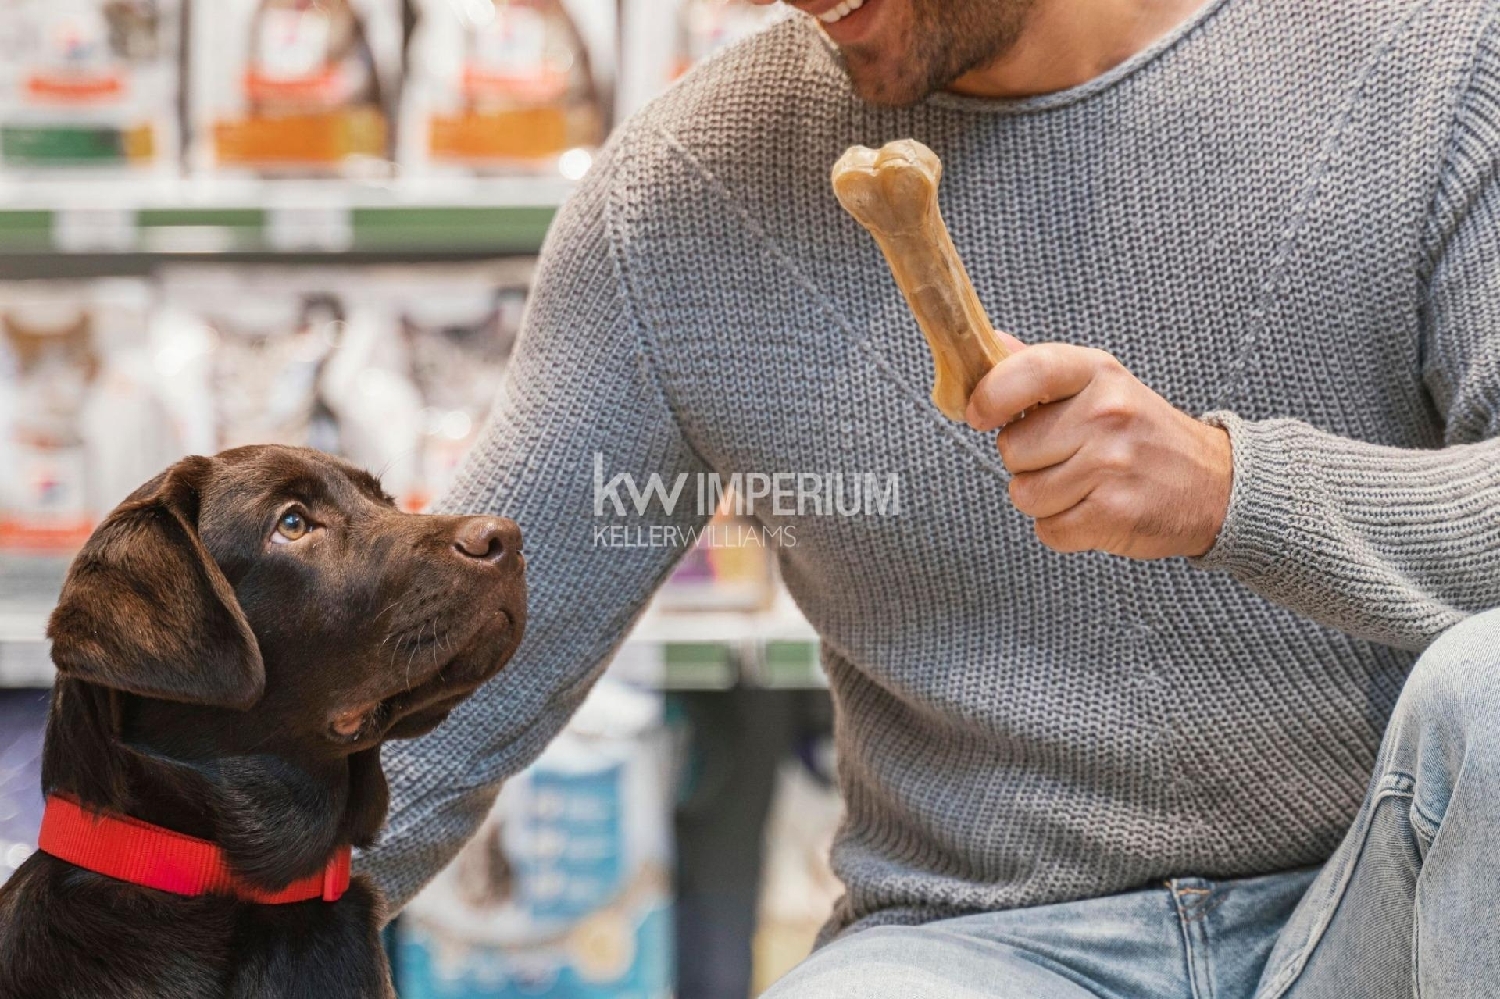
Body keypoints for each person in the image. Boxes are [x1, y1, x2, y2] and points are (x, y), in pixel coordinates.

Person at [358, 0, 1500, 993]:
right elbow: (429, 707)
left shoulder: (1431, 62)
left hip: (1389, 902)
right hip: (974, 949)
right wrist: (198, 914)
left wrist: (1234, 489)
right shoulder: (686, 194)